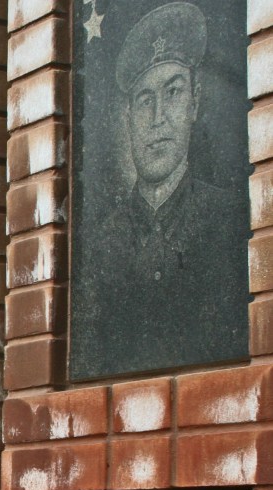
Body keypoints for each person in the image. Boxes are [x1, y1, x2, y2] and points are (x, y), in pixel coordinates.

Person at [75, 1, 248, 378]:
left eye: (172, 93)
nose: (157, 119)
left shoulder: (230, 220)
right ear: (128, 119)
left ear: (194, 102)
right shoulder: (103, 244)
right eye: (144, 100)